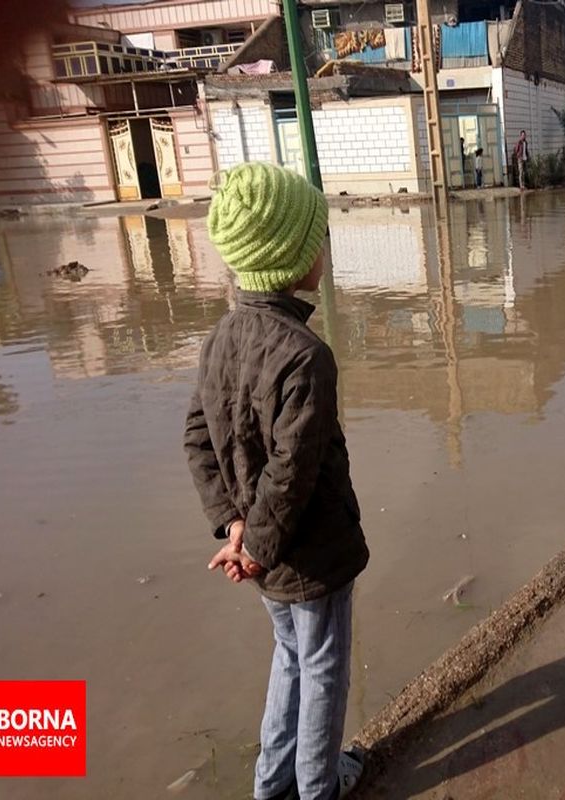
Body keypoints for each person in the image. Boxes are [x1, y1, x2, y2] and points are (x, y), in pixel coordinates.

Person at [185, 162, 370, 800]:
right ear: (293, 259)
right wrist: (257, 546)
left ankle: (272, 784)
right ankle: (319, 785)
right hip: (308, 553)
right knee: (322, 668)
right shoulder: (306, 357)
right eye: (317, 235)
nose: (324, 244)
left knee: (290, 656)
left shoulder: (219, 340)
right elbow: (293, 474)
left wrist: (236, 529)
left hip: (263, 553)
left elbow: (198, 440)